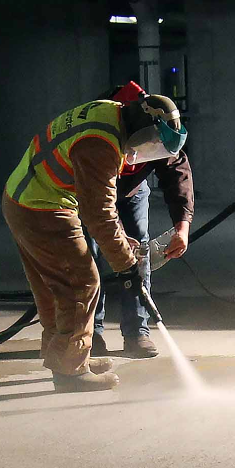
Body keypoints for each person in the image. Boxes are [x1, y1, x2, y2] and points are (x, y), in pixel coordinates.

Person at [2, 92, 187, 392]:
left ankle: (69, 356)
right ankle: (70, 372)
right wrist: (127, 265)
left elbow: (98, 210)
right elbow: (98, 213)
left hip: (25, 200)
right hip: (43, 207)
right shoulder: (101, 146)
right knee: (82, 283)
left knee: (55, 286)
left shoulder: (112, 113)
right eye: (153, 145)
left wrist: (121, 245)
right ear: (143, 131)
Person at [89, 82, 194, 358]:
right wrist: (120, 236)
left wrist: (182, 228)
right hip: (91, 188)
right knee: (89, 257)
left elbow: (176, 173)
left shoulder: (155, 126)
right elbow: (99, 205)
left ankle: (137, 331)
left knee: (140, 254)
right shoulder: (102, 129)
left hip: (132, 187)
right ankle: (90, 334)